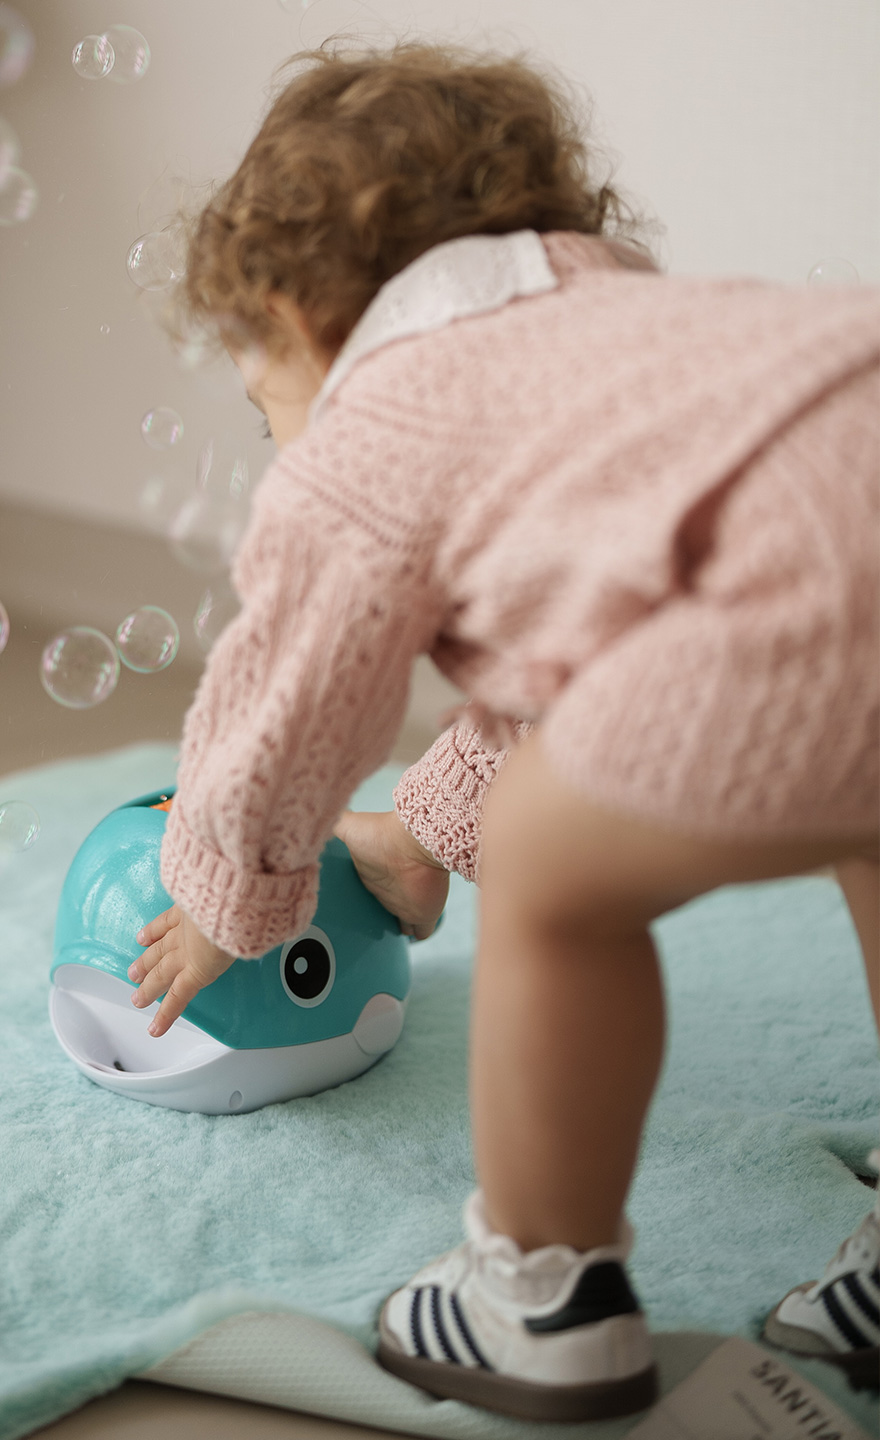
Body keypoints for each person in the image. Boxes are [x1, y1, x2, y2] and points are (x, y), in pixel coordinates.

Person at [125, 42, 880, 1423]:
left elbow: (287, 705)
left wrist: (225, 895)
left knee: (548, 859)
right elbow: (574, 660)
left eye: (265, 410)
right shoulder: (598, 303)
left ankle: (540, 1295)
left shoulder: (372, 431)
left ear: (302, 319)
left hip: (812, 584)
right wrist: (420, 833)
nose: (280, 450)